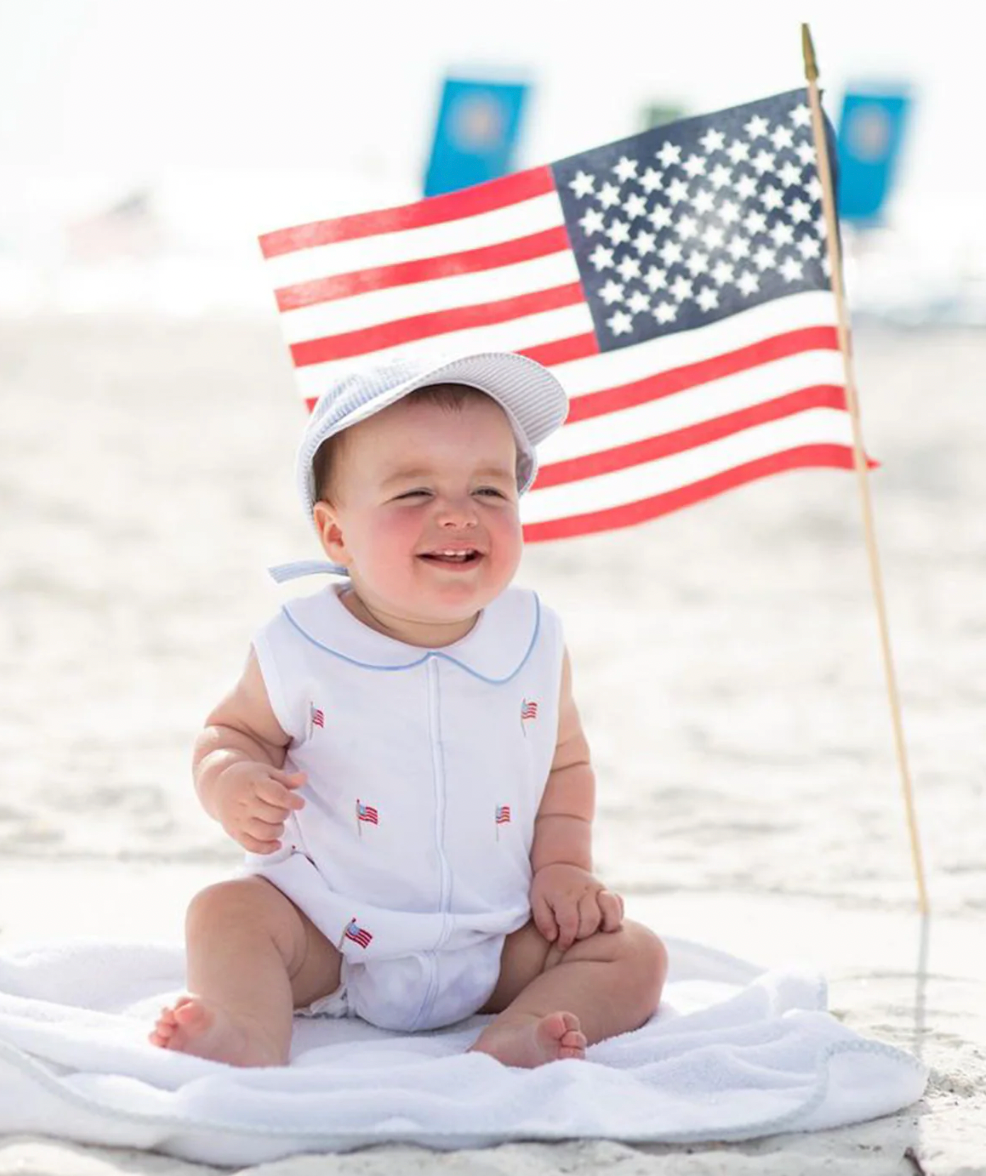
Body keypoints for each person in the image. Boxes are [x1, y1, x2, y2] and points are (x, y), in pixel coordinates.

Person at [149, 350, 667, 1069]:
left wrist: (563, 869)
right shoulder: (302, 643)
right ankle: (245, 1032)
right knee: (224, 913)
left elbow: (564, 763)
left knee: (633, 954)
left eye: (489, 491)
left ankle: (523, 1030)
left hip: (498, 934)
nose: (457, 514)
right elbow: (228, 733)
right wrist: (232, 781)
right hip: (329, 933)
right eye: (414, 493)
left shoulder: (533, 638)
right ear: (335, 535)